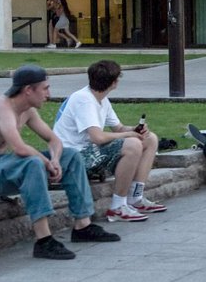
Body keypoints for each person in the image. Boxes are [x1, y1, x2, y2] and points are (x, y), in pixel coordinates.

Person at [0, 65, 120, 260]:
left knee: (71, 156)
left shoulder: (27, 111)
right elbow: (19, 148)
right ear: (28, 90)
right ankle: (44, 240)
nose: (48, 94)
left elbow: (54, 141)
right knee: (32, 163)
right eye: (45, 88)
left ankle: (83, 226)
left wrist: (56, 160)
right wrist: (46, 162)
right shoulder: (1, 108)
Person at [53, 60, 167, 222]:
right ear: (114, 82)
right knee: (133, 145)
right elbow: (97, 137)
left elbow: (118, 128)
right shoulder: (84, 100)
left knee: (150, 139)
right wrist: (128, 137)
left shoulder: (101, 99)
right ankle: (118, 206)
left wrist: (134, 130)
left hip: (89, 151)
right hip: (74, 157)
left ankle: (136, 197)